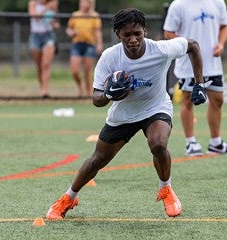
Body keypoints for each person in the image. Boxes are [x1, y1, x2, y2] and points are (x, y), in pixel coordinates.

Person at [46, 8, 207, 220]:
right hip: (123, 113)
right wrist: (109, 94)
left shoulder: (161, 49)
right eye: (127, 35)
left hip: (155, 107)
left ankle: (166, 189)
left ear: (145, 32)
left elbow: (193, 46)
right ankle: (69, 197)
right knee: (98, 159)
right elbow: (96, 99)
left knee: (158, 143)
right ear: (118, 35)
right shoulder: (110, 57)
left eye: (137, 34)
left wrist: (199, 84)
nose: (133, 39)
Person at [163, 0, 227, 156]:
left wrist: (221, 44)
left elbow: (224, 27)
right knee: (188, 100)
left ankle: (216, 143)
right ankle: (190, 142)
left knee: (218, 100)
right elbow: (169, 32)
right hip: (188, 66)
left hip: (213, 64)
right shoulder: (178, 5)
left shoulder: (218, 2)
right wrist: (185, 48)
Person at [66, 0, 103, 97]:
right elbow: (69, 28)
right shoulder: (75, 14)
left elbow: (97, 31)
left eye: (86, 2)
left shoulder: (94, 16)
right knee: (75, 71)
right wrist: (71, 32)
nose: (83, 4)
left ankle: (88, 94)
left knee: (87, 71)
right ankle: (80, 86)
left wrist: (99, 44)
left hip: (89, 45)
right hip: (77, 44)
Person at [28, 0, 60, 98]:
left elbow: (56, 22)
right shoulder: (33, 3)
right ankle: (42, 86)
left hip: (48, 36)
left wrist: (54, 23)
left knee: (46, 64)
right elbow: (34, 17)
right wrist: (46, 8)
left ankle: (45, 91)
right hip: (35, 36)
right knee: (39, 65)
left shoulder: (53, 3)